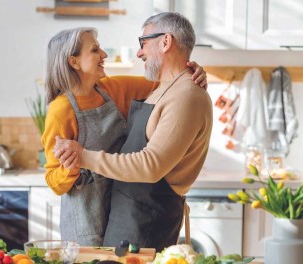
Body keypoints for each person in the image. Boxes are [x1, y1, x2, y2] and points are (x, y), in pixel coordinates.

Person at [54, 12, 213, 251]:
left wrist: (82, 156)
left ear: (166, 41)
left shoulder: (186, 96)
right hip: (129, 215)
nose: (139, 52)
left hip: (147, 222)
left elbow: (150, 166)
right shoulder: (164, 88)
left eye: (143, 43)